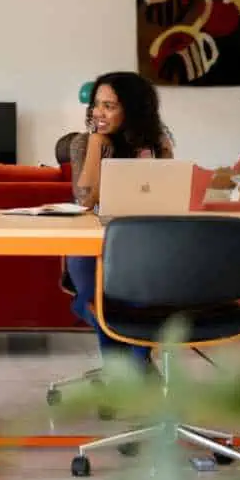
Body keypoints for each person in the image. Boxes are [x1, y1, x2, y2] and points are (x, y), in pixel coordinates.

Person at [66, 71, 174, 371]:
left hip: (144, 243)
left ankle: (127, 373)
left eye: (109, 106)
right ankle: (136, 370)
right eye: (96, 105)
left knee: (139, 303)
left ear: (133, 109)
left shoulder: (157, 145)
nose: (99, 113)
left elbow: (169, 194)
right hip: (93, 245)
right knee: (104, 304)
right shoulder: (83, 143)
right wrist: (96, 144)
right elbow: (84, 200)